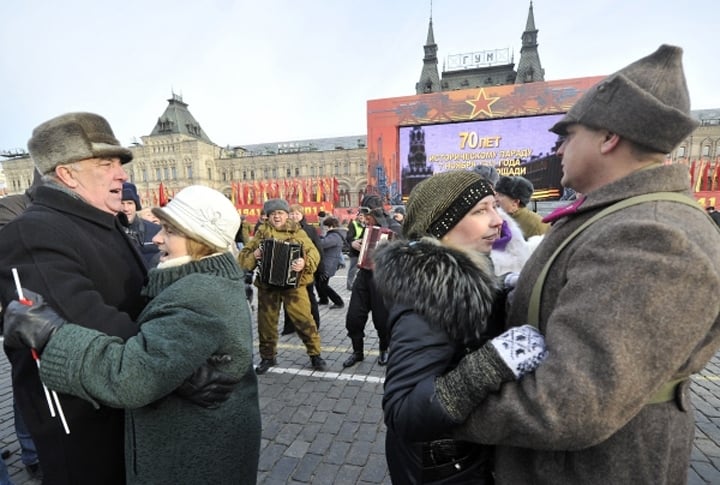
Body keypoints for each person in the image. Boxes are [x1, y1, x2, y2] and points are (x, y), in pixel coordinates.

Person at [422, 44, 720, 483]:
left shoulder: (650, 235)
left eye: (569, 135)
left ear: (609, 137)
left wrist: (442, 412)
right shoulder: (619, 215)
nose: (559, 148)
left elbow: (569, 405)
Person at [0, 112, 228, 484]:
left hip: (125, 397)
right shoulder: (32, 233)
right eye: (106, 164)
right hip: (80, 420)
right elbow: (86, 321)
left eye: (120, 164)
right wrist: (178, 369)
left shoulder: (101, 222)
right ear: (67, 174)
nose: (122, 174)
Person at [375, 170, 546, 483]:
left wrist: (500, 291)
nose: (498, 220)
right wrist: (491, 364)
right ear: (442, 225)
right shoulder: (430, 297)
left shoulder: (468, 275)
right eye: (480, 210)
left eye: (495, 206)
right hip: (443, 470)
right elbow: (402, 411)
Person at [239, 198, 327, 374]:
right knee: (266, 324)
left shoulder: (298, 232)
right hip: (267, 287)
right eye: (273, 214)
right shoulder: (261, 233)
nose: (277, 217)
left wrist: (304, 262)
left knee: (304, 320)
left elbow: (314, 254)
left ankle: (315, 355)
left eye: (280, 213)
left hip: (294, 286)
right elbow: (242, 260)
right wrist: (255, 255)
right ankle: (268, 357)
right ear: (267, 217)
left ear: (286, 215)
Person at [342, 196, 401, 368]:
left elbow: (405, 253)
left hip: (383, 279)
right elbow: (351, 242)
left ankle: (384, 350)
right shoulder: (366, 227)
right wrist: (353, 244)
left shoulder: (395, 227)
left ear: (375, 211)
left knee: (382, 320)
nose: (363, 217)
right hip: (364, 275)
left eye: (366, 213)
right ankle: (357, 352)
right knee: (353, 316)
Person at [283, 203, 322, 334]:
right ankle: (289, 327)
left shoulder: (309, 229)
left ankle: (314, 324)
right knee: (288, 298)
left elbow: (318, 249)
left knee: (309, 297)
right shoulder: (283, 228)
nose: (294, 216)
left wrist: (320, 269)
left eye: (297, 214)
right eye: (292, 213)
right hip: (288, 269)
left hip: (306, 269)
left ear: (302, 215)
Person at [120, 181, 161, 267]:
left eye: (130, 203)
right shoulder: (108, 233)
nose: (126, 208)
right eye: (122, 203)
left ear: (136, 205)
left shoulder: (156, 231)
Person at [316, 216, 345, 309]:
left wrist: (316, 239)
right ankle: (323, 299)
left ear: (330, 226)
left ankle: (338, 301)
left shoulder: (334, 236)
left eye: (325, 226)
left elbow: (323, 244)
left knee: (323, 285)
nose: (324, 229)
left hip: (328, 264)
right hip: (327, 262)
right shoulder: (334, 234)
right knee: (319, 283)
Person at [345, 209, 365, 290]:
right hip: (355, 249)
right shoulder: (353, 223)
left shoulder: (367, 224)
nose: (362, 217)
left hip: (363, 249)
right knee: (353, 268)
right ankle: (350, 285)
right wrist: (356, 241)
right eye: (360, 215)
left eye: (363, 215)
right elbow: (349, 237)